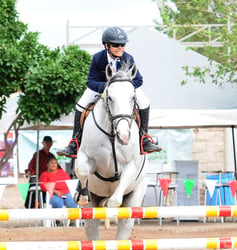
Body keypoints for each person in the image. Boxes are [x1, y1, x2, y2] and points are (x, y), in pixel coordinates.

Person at [57, 26, 161, 158]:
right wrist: (108, 88)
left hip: (125, 90)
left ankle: (144, 138)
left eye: (122, 44)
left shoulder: (128, 58)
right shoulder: (97, 58)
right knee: (80, 104)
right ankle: (75, 142)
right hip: (101, 88)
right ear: (107, 45)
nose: (120, 48)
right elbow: (90, 81)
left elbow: (139, 80)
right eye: (116, 45)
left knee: (144, 102)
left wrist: (123, 88)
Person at [39, 156, 78, 226]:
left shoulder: (62, 172)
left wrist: (65, 192)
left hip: (65, 193)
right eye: (51, 163)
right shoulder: (44, 174)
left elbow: (69, 182)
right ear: (47, 165)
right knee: (58, 202)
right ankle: (58, 221)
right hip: (53, 194)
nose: (53, 165)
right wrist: (56, 191)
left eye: (55, 163)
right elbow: (43, 186)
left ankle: (72, 222)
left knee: (72, 202)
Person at [24, 135, 58, 209]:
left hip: (50, 180)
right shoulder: (37, 154)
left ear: (51, 144)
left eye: (49, 143)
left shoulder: (51, 156)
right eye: (46, 143)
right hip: (38, 180)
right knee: (34, 196)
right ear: (43, 143)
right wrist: (29, 172)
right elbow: (31, 166)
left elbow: (57, 167)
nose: (48, 145)